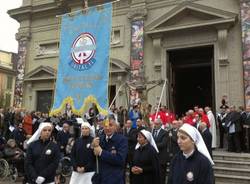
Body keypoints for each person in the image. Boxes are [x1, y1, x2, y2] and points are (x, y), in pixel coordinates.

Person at [92, 114, 128, 184]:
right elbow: (94, 159)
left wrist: (101, 152)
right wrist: (92, 147)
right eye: (105, 126)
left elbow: (120, 159)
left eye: (110, 125)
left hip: (114, 179)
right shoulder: (99, 139)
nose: (107, 128)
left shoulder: (122, 140)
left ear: (115, 126)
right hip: (100, 179)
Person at [152, 118, 168, 184]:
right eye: (154, 123)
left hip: (161, 158)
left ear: (161, 124)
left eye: (157, 124)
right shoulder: (152, 132)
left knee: (161, 176)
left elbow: (163, 144)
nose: (155, 125)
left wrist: (153, 145)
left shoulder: (165, 132)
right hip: (154, 157)